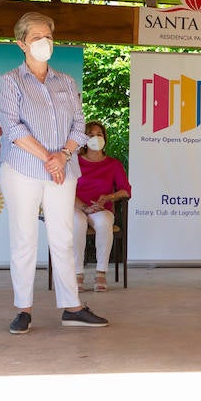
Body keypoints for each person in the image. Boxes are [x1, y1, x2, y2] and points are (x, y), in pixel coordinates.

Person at [0, 12, 108, 334]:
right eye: (36, 38)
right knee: (24, 239)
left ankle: (72, 307)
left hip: (63, 168)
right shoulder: (9, 81)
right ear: (21, 44)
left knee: (63, 236)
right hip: (22, 169)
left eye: (48, 37)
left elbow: (78, 124)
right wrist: (49, 156)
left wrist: (63, 155)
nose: (44, 43)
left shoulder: (66, 81)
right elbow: (12, 127)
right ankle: (23, 309)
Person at [72, 120, 131, 292]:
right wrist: (84, 207)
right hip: (77, 208)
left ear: (104, 138)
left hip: (101, 209)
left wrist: (108, 197)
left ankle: (101, 273)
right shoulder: (74, 162)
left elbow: (125, 191)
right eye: (90, 135)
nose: (95, 138)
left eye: (99, 134)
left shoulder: (113, 164)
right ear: (83, 139)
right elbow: (65, 189)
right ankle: (77, 274)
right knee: (77, 223)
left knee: (105, 221)